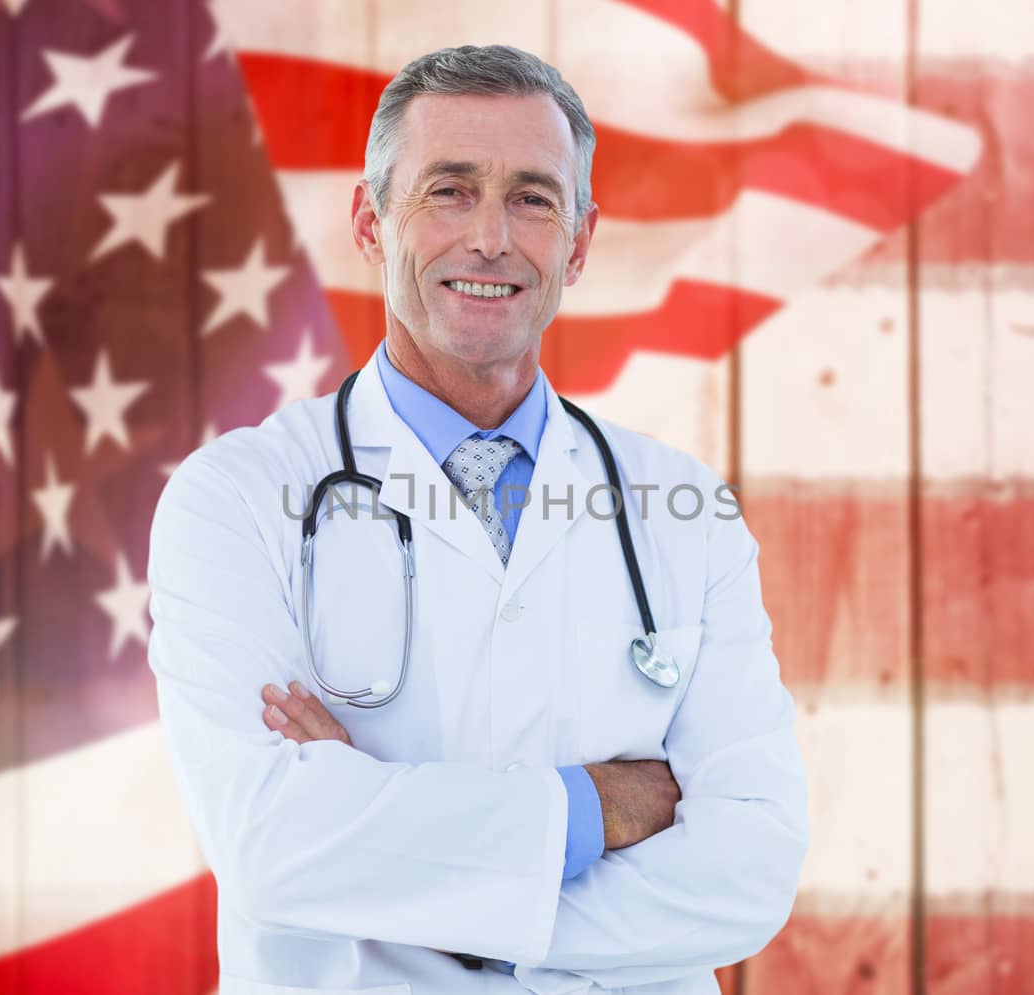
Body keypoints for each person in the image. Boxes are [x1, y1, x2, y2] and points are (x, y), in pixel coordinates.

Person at [147, 44, 808, 995]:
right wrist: (595, 809)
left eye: (534, 198)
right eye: (448, 191)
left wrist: (416, 892)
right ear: (372, 224)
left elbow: (751, 869)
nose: (491, 237)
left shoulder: (685, 510)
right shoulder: (236, 500)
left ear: (578, 243)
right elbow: (270, 846)